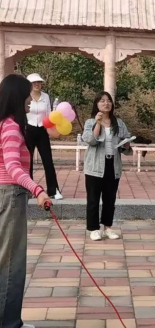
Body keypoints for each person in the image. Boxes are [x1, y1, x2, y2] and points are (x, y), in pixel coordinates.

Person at [0, 74, 50, 328]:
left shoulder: (3, 124)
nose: (31, 99)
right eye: (27, 95)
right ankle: (9, 323)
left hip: (5, 194)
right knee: (11, 262)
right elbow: (12, 167)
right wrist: (37, 189)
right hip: (10, 195)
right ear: (17, 97)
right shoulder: (10, 127)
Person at [82, 92, 131, 241]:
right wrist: (98, 123)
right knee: (93, 199)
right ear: (96, 104)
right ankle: (93, 229)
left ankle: (107, 228)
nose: (106, 103)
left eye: (109, 101)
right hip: (95, 165)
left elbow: (125, 143)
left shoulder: (119, 123)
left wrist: (126, 144)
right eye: (102, 101)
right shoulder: (90, 122)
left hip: (113, 164)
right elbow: (90, 140)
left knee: (110, 199)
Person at [25, 73, 63, 200]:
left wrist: (51, 129)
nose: (37, 84)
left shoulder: (46, 96)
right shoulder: (25, 96)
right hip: (28, 129)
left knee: (48, 161)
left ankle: (53, 190)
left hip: (42, 130)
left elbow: (49, 114)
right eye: (34, 82)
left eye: (39, 82)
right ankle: (28, 189)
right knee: (28, 161)